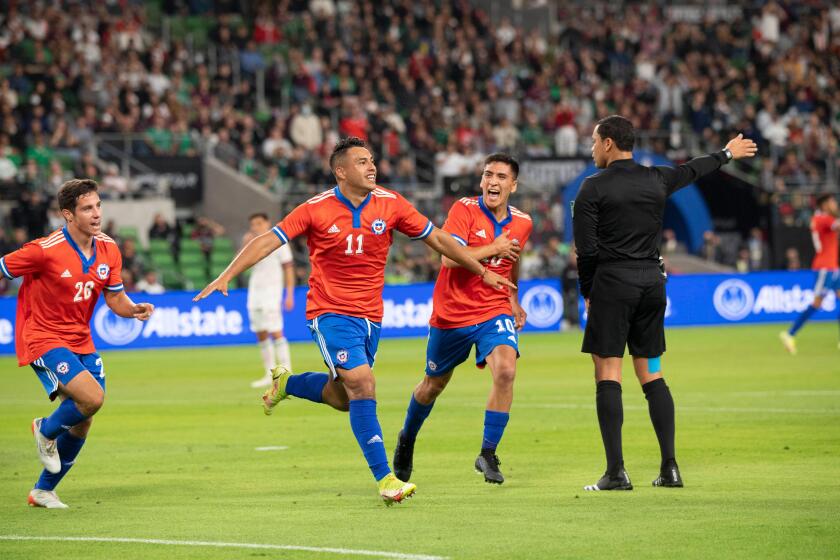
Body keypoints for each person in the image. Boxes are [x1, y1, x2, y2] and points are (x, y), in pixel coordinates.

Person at [194, 137, 514, 505]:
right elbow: (269, 240)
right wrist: (227, 274)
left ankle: (288, 384)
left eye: (372, 160)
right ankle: (386, 479)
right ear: (341, 171)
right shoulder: (316, 209)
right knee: (363, 383)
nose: (372, 166)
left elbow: (439, 239)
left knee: (344, 397)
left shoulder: (391, 204)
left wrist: (480, 269)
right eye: (362, 162)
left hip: (370, 318)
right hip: (329, 312)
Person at [573, 116, 756, 491]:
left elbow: (587, 252)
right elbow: (692, 171)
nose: (591, 148)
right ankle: (670, 468)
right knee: (652, 373)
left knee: (608, 374)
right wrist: (726, 153)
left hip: (613, 284)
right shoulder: (656, 178)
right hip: (652, 286)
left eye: (594, 141)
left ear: (608, 143)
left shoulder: (591, 188)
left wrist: (588, 292)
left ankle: (615, 473)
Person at [0, 179, 154, 508]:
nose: (96, 213)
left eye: (98, 205)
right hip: (41, 335)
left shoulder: (109, 249)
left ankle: (42, 491)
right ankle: (44, 429)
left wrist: (134, 310)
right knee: (93, 397)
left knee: (84, 417)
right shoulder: (44, 250)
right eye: (87, 208)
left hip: (81, 338)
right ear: (68, 215)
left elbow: (115, 299)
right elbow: (3, 267)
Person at [392, 153, 532, 485]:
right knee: (432, 386)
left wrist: (513, 297)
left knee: (507, 370)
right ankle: (407, 437)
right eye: (488, 175)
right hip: (452, 313)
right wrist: (491, 248)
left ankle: (487, 453)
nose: (492, 182)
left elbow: (514, 258)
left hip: (493, 308)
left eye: (500, 176)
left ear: (513, 185)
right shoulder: (464, 210)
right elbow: (448, 260)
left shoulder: (523, 222)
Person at [779, 194, 840, 353]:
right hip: (824, 268)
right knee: (817, 303)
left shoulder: (822, 218)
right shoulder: (823, 218)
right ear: (824, 204)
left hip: (833, 266)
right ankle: (789, 334)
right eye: (833, 202)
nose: (835, 205)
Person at [244, 212, 296, 388]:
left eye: (259, 223)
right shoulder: (252, 243)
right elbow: (241, 263)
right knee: (261, 332)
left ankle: (286, 372)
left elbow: (288, 269)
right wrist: (245, 245)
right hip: (254, 293)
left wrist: (289, 294)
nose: (256, 227)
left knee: (276, 331)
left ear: (267, 223)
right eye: (253, 224)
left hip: (272, 292)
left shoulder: (279, 242)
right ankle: (269, 373)